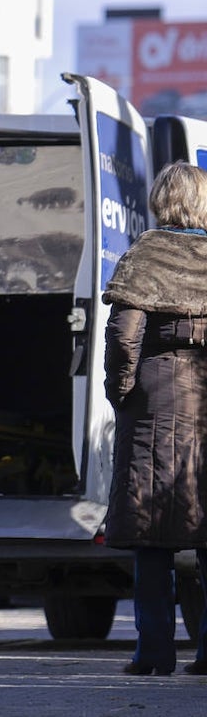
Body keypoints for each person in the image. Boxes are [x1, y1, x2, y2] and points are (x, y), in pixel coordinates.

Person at [102, 159, 207, 677]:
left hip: (158, 399)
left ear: (161, 202)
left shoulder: (145, 253)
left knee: (152, 535)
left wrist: (121, 392)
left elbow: (124, 335)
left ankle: (154, 652)